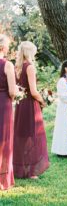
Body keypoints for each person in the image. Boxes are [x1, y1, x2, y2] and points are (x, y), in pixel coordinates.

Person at [13, 41, 49, 179]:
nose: (35, 53)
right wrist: (43, 100)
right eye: (34, 51)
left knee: (22, 135)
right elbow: (33, 91)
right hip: (30, 104)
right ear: (29, 52)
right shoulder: (30, 67)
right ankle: (31, 171)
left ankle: (20, 167)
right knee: (32, 135)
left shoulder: (18, 67)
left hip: (21, 104)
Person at [0, 34, 16, 190]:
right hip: (3, 103)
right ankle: (3, 180)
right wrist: (17, 92)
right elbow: (12, 91)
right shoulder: (8, 65)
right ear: (3, 47)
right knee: (4, 139)